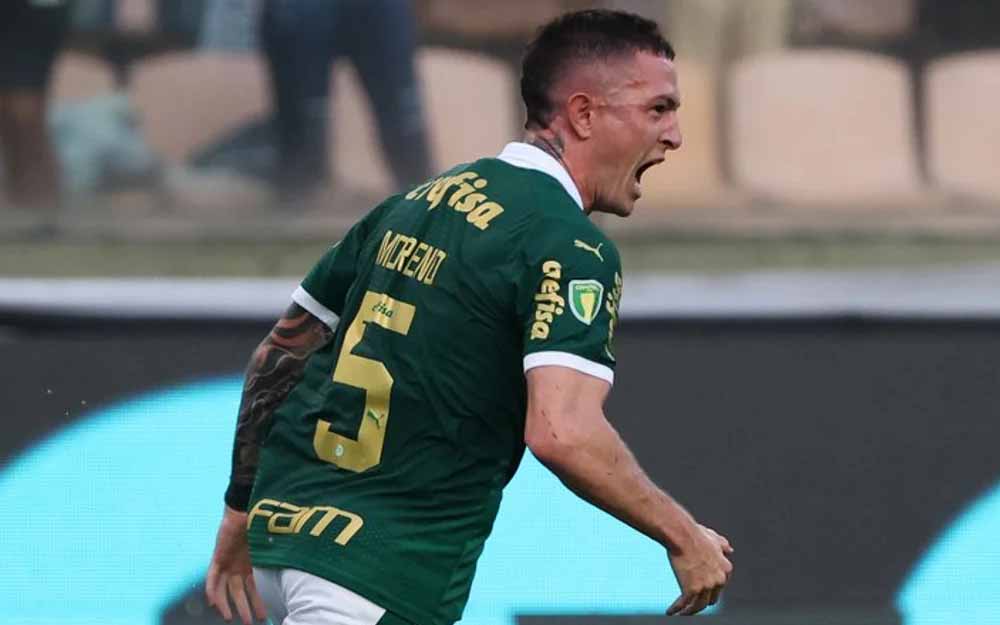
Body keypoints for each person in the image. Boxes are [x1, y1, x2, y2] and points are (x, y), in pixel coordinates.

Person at [206, 9, 734, 625]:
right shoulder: (568, 245)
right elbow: (562, 431)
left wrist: (239, 510)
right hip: (377, 576)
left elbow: (281, 353)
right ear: (584, 114)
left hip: (284, 542)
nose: (675, 136)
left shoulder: (410, 205)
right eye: (658, 109)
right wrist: (683, 536)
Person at [0, 0, 73, 211]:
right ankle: (21, 199)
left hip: (37, 11)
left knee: (25, 108)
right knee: (8, 109)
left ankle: (42, 203)